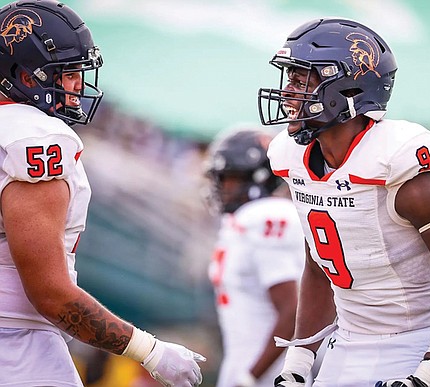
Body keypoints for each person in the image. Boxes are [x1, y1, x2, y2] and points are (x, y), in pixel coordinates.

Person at [257, 18, 430, 387]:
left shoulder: (402, 168)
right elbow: (320, 266)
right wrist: (300, 360)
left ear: (348, 86)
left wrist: (429, 374)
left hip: (418, 345)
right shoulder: (293, 158)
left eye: (303, 79)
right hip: (347, 344)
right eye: (290, 78)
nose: (289, 92)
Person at [0, 1, 204, 386]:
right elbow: (50, 293)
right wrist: (150, 351)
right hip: (15, 347)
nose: (78, 85)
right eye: (69, 73)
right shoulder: (35, 137)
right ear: (27, 77)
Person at [205, 128, 313, 387]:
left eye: (228, 177)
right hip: (247, 365)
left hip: (269, 375)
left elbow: (293, 311)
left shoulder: (265, 216)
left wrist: (250, 377)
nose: (222, 187)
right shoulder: (244, 220)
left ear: (257, 177)